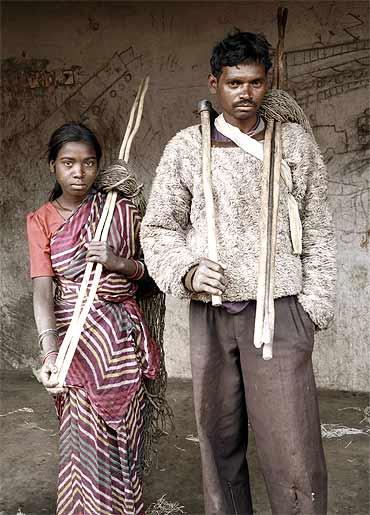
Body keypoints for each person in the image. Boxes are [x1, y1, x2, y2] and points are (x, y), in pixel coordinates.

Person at [141, 31, 335, 515]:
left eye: (255, 82)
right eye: (234, 83)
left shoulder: (294, 144)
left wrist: (312, 307)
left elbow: (319, 225)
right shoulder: (187, 148)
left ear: (268, 83)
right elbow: (159, 226)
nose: (245, 93)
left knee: (291, 446)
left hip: (280, 311)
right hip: (211, 314)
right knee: (218, 437)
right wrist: (185, 271)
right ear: (214, 83)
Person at [27, 122, 159, 515]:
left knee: (125, 443)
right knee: (81, 444)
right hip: (74, 345)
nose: (79, 172)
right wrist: (50, 354)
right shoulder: (41, 220)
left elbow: (153, 277)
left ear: (98, 166)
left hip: (121, 344)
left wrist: (116, 262)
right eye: (68, 162)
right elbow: (42, 291)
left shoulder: (119, 210)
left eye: (88, 163)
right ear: (53, 166)